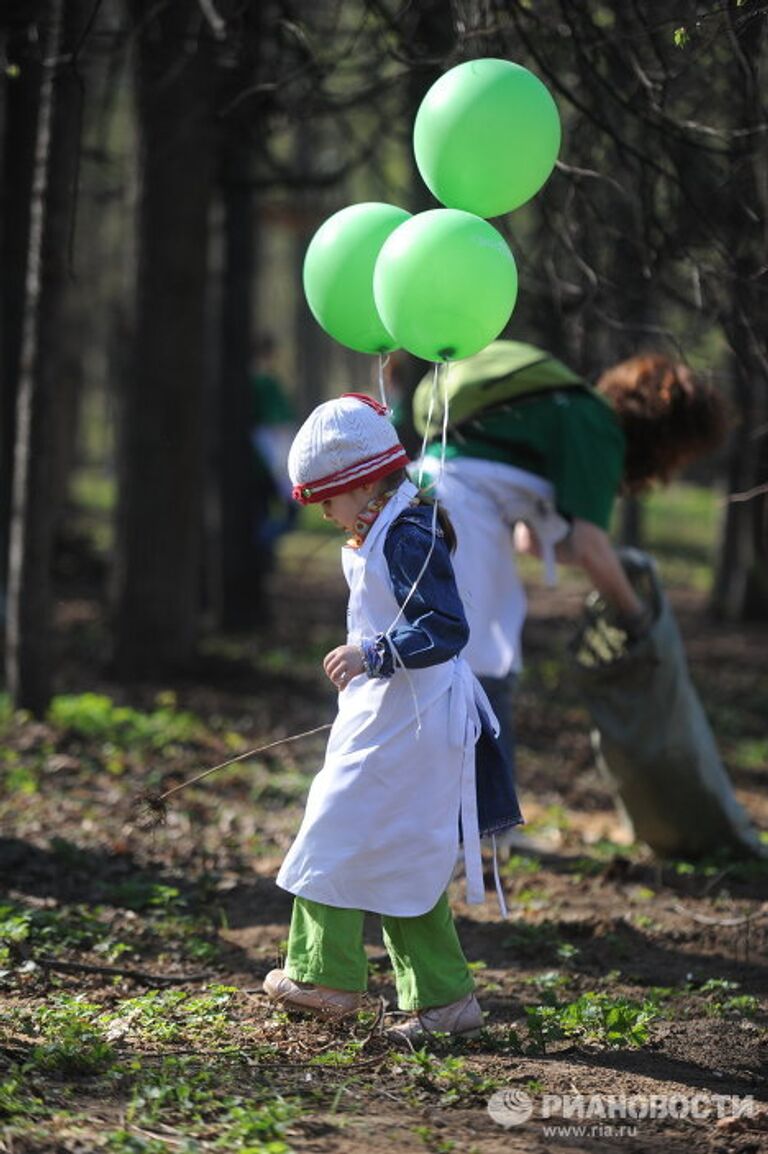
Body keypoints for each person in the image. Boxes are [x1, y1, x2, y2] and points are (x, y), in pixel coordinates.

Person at [263, 392, 522, 1042]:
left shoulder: (407, 535)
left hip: (419, 717)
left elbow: (447, 627)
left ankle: (327, 981)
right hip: (393, 714)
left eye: (327, 496)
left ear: (363, 481)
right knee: (402, 852)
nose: (323, 511)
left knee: (333, 827)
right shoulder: (382, 527)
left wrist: (375, 652)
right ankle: (442, 1001)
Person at [415, 343, 727, 768]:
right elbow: (588, 546)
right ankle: (483, 822)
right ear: (666, 434)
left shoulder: (570, 410)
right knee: (481, 664)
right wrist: (636, 617)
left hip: (445, 496)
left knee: (490, 656)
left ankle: (481, 821)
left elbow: (535, 541)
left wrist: (604, 563)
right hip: (462, 509)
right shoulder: (597, 425)